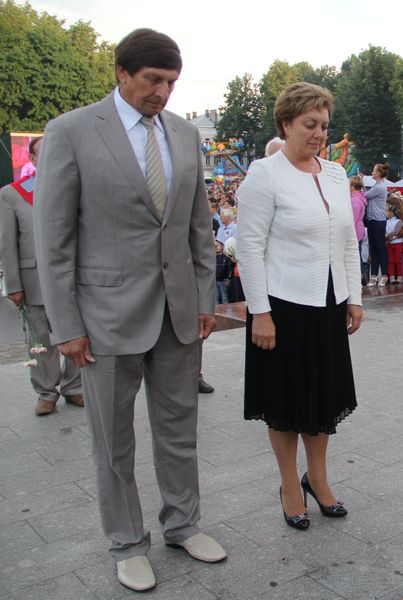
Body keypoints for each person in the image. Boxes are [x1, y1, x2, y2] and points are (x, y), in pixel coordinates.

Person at [33, 29, 224, 591]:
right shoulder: (70, 132)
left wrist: (204, 300)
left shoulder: (185, 135)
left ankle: (183, 523)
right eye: (152, 81)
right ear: (121, 72)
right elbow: (55, 238)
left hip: (178, 313)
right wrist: (65, 325)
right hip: (103, 317)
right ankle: (125, 541)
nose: (162, 93)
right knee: (113, 439)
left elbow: (198, 228)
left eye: (170, 83)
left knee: (178, 429)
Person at [237, 82, 362, 534]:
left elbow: (346, 238)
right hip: (283, 308)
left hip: (328, 304)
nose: (318, 134)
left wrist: (355, 297)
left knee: (323, 399)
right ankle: (290, 484)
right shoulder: (263, 175)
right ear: (286, 124)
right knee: (286, 402)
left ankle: (319, 478)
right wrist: (261, 312)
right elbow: (249, 248)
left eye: (324, 126)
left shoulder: (332, 173)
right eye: (309, 124)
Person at [0, 136, 83, 416]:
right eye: (42, 154)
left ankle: (74, 387)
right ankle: (46, 392)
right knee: (40, 340)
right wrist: (13, 284)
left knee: (77, 332)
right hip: (34, 278)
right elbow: (7, 243)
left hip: (74, 277)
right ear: (32, 160)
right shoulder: (14, 194)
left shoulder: (74, 188)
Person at [365, 163, 389, 286]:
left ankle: (384, 275)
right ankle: (374, 275)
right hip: (372, 220)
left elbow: (365, 196)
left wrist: (360, 183)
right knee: (373, 248)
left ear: (379, 174)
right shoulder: (376, 186)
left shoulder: (379, 187)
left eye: (374, 171)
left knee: (380, 248)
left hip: (378, 221)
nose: (372, 172)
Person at [349, 174, 368, 284]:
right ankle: (360, 275)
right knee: (358, 254)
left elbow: (353, 218)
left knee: (355, 255)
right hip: (359, 228)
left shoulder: (355, 200)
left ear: (352, 186)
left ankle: (359, 276)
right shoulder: (360, 197)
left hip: (355, 229)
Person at [385, 198, 403, 284]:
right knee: (391, 260)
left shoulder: (399, 221)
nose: (386, 212)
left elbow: (396, 231)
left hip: (398, 243)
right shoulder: (387, 222)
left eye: (387, 211)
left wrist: (388, 237)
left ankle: (399, 276)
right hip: (390, 244)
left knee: (398, 260)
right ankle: (392, 276)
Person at [214, 239, 232, 304]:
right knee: (216, 299)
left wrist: (228, 279)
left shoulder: (226, 257)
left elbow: (230, 269)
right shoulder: (212, 258)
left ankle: (226, 313)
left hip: (223, 281)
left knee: (224, 298)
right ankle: (217, 314)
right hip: (214, 281)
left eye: (217, 245)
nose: (216, 247)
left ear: (222, 246)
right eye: (214, 245)